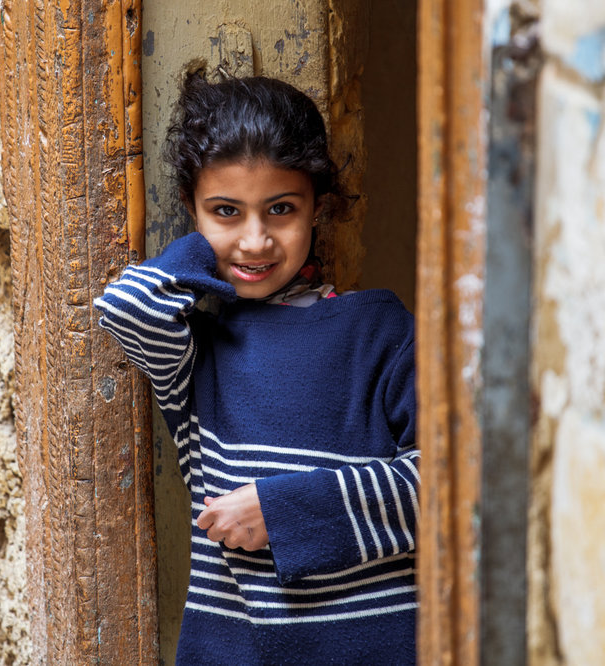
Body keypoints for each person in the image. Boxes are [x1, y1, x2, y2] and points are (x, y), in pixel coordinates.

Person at [93, 74, 418, 665]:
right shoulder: (197, 350)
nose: (255, 239)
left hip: (375, 646)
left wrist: (286, 511)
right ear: (191, 209)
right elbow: (126, 307)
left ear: (319, 207)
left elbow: (454, 484)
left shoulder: (382, 334)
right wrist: (200, 247)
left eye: (281, 209)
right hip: (234, 649)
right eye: (225, 210)